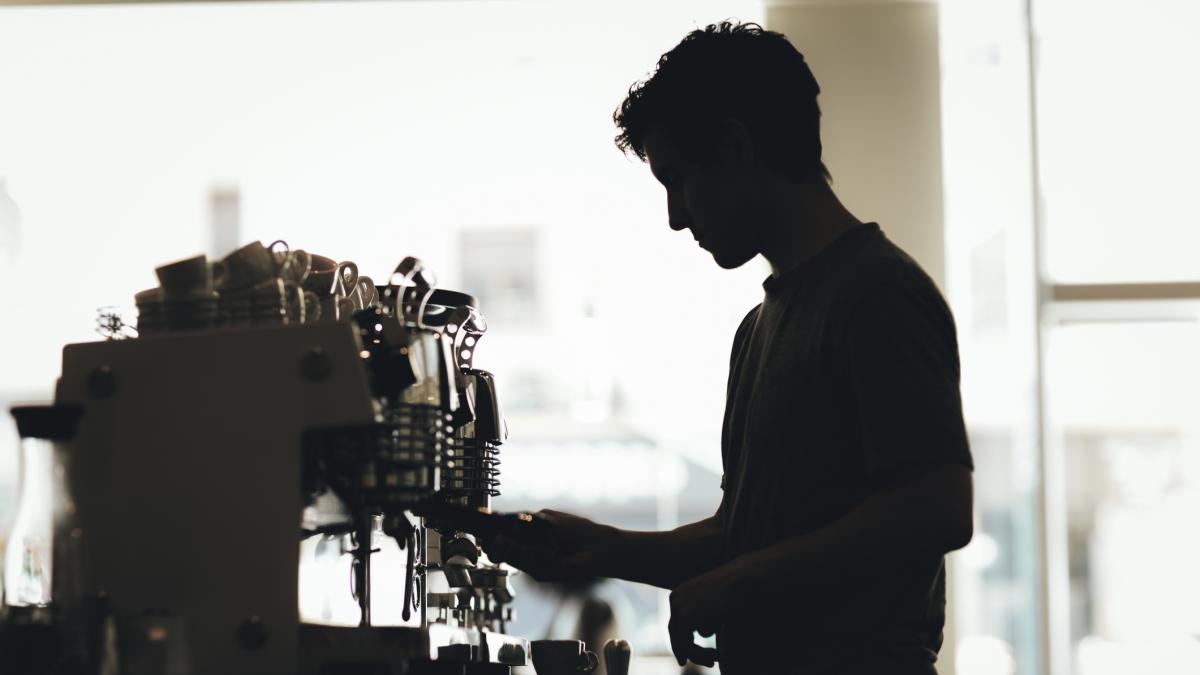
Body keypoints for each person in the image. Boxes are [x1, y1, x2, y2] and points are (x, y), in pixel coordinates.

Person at [484, 21, 974, 675]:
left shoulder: (877, 293)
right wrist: (599, 548)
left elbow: (937, 507)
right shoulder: (759, 329)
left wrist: (744, 580)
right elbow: (743, 535)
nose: (676, 216)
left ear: (737, 147)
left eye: (678, 180)